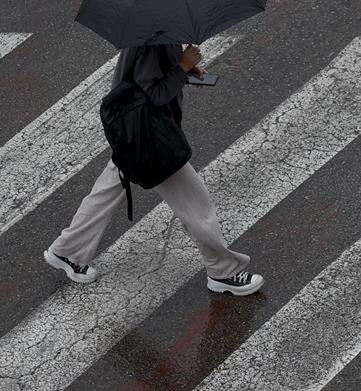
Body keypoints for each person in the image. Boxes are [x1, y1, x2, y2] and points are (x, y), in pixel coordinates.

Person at [43, 43, 264, 296]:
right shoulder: (153, 38)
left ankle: (68, 250)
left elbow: (144, 78)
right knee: (196, 204)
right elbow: (153, 94)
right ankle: (223, 271)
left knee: (108, 189)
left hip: (133, 134)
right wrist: (181, 67)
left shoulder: (154, 28)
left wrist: (186, 70)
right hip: (150, 138)